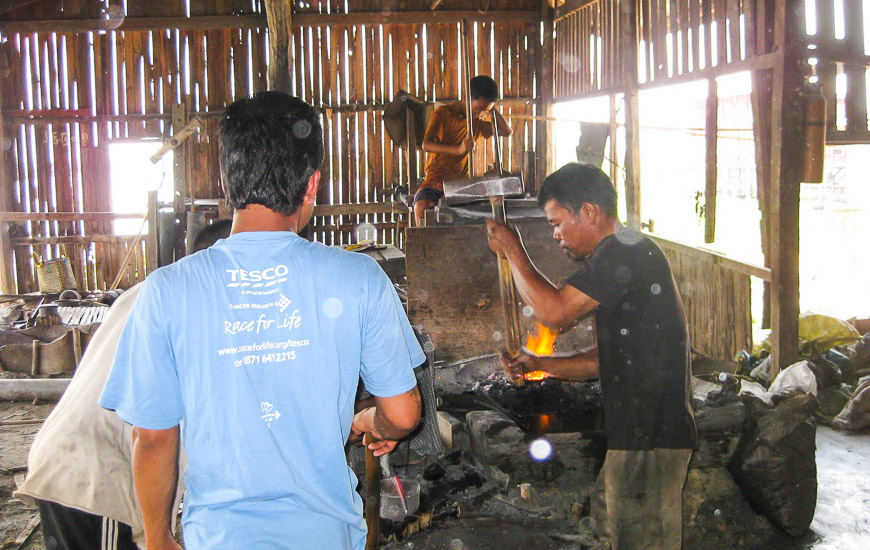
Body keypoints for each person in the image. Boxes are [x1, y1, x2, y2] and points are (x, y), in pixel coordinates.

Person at [99, 92, 424, 550]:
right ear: (312, 184)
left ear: (227, 180)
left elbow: (152, 438)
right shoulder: (359, 278)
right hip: (324, 535)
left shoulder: (167, 289)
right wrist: (372, 422)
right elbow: (404, 412)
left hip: (218, 537)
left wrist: (156, 537)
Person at [485, 162, 697, 550]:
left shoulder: (624, 252)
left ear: (588, 212)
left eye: (556, 223)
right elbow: (602, 361)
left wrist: (513, 250)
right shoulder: (622, 253)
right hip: (635, 434)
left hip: (652, 436)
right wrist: (540, 365)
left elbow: (554, 312)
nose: (555, 236)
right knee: (607, 528)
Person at [14, 220, 232, 550]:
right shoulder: (202, 308)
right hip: (100, 472)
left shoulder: (148, 290)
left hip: (67, 454)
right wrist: (158, 535)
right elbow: (153, 433)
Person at [414, 75, 512, 226]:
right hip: (437, 180)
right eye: (479, 108)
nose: (480, 113)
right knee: (422, 207)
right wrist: (459, 150)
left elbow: (506, 131)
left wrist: (492, 110)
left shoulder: (477, 123)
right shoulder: (443, 114)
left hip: (463, 185)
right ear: (467, 97)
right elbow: (426, 145)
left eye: (485, 110)